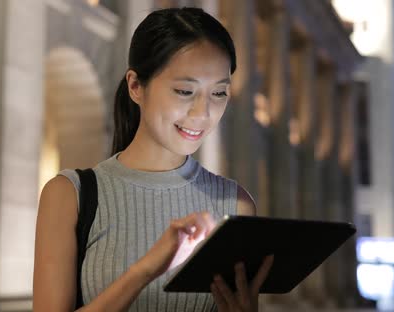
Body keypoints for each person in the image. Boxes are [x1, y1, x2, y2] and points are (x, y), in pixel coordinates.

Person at [33, 7, 273, 312]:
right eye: (185, 91)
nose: (203, 113)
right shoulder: (70, 194)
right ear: (136, 86)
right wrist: (146, 269)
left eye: (219, 93)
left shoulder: (235, 204)